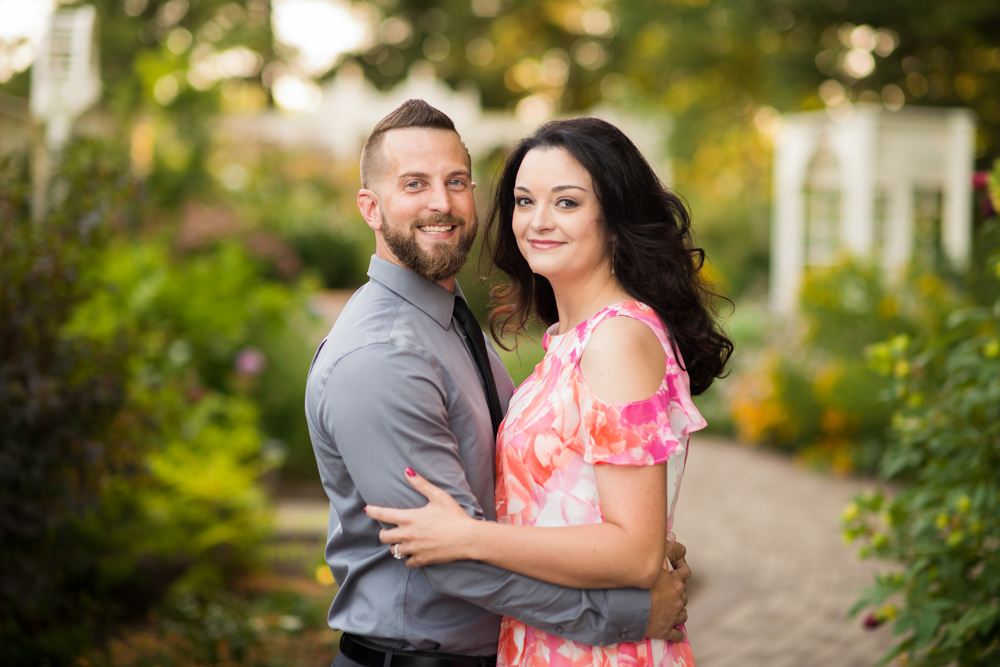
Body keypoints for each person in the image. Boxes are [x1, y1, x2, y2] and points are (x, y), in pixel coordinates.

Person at [304, 101, 694, 667]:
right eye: (415, 183)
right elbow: (446, 555)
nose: (441, 202)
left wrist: (639, 546)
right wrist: (627, 609)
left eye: (456, 180)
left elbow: (516, 510)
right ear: (371, 206)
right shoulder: (384, 355)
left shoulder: (454, 322)